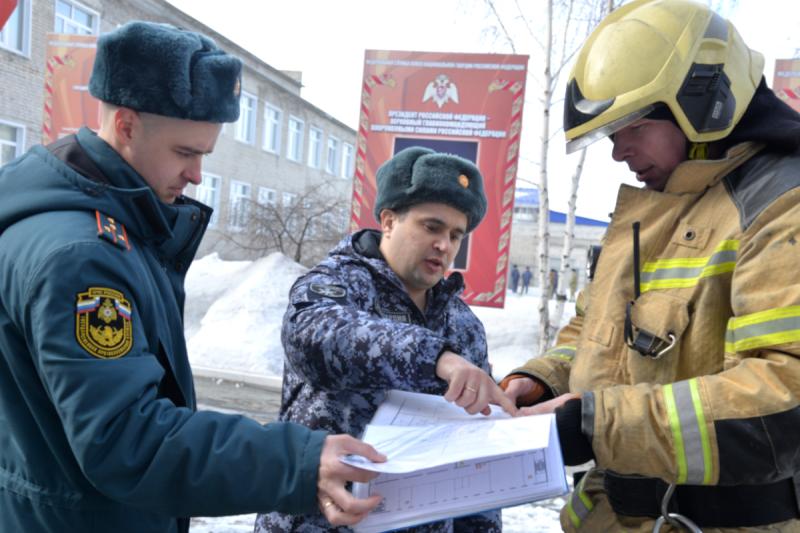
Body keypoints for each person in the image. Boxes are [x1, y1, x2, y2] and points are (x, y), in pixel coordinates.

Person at [0, 21, 385, 533]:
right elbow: (125, 437)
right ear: (128, 126)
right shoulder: (81, 256)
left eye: (205, 154)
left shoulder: (108, 223)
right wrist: (297, 460)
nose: (198, 175)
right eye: (186, 153)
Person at [501, 0, 800, 530]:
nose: (620, 152)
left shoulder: (782, 205)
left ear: (705, 99)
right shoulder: (658, 206)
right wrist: (543, 380)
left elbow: (784, 399)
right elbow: (597, 332)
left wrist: (594, 426)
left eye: (632, 127)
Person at [256, 146, 517, 532]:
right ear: (389, 220)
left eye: (455, 235)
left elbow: (474, 450)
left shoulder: (463, 326)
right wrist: (437, 359)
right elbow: (315, 340)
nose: (444, 245)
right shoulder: (336, 283)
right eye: (431, 227)